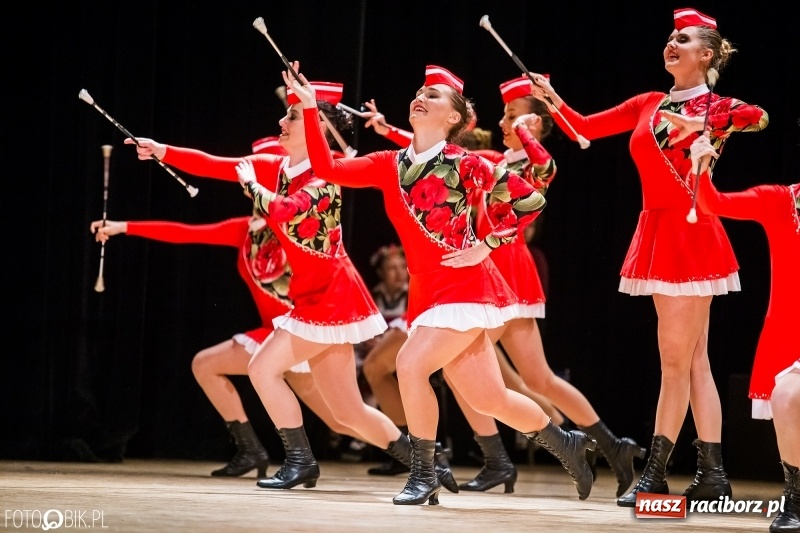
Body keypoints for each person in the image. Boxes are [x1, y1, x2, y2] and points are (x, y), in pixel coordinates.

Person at [124, 80, 456, 492]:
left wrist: (252, 187)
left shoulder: (325, 180)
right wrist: (161, 150)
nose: (282, 120)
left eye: (293, 115)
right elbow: (214, 163)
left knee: (263, 368)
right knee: (347, 413)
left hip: (332, 298)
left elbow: (286, 210)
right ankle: (430, 466)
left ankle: (300, 462)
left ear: (316, 128)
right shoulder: (276, 167)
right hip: (317, 296)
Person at [292, 62, 596, 506]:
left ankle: (424, 473)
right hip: (427, 292)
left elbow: (532, 198)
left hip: (467, 286)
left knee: (412, 366)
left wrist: (487, 242)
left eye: (433, 95)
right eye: (420, 91)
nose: (421, 96)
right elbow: (327, 167)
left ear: (453, 118)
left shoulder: (469, 164)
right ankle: (567, 443)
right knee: (491, 397)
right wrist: (306, 109)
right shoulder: (386, 164)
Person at [528, 8, 769, 506]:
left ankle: (655, 474)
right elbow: (585, 128)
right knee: (694, 361)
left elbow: (759, 117)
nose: (670, 43)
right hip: (659, 229)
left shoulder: (715, 105)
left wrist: (701, 120)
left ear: (705, 54)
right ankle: (713, 472)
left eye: (682, 39)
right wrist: (552, 101)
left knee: (676, 363)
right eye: (668, 37)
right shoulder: (648, 102)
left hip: (691, 230)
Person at [88, 214, 366, 478]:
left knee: (343, 420)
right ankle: (250, 450)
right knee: (206, 364)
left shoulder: (299, 226)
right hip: (272, 337)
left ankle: (407, 449)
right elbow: (187, 233)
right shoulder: (245, 230)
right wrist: (123, 227)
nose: (248, 188)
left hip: (303, 336)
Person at [691, 135, 799, 532]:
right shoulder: (781, 201)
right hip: (794, 341)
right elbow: (714, 203)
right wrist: (701, 167)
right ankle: (797, 498)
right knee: (787, 396)